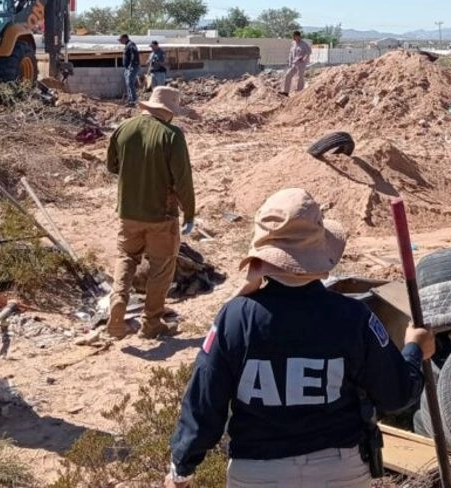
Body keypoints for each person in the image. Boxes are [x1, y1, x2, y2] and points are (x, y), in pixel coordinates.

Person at [167, 187, 435, 488]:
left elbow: (205, 400)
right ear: (319, 252)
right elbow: (396, 394)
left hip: (258, 473)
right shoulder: (353, 317)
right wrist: (415, 349)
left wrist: (182, 466)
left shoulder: (235, 318)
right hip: (338, 469)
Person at [105, 85, 195, 339]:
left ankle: (118, 306)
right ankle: (151, 323)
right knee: (161, 267)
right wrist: (189, 213)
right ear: (169, 111)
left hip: (128, 212)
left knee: (126, 258)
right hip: (161, 216)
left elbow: (112, 166)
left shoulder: (124, 128)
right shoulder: (172, 135)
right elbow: (183, 181)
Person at [279, 30, 312, 96]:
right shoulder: (293, 43)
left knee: (300, 77)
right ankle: (286, 92)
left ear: (299, 36)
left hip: (301, 63)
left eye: (295, 36)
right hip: (294, 63)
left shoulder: (304, 44)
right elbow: (291, 53)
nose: (294, 38)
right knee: (288, 75)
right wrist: (289, 61)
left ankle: (300, 93)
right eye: (293, 36)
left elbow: (308, 52)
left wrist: (304, 58)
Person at [119, 33, 141, 105]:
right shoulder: (127, 45)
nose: (120, 41)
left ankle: (134, 100)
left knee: (130, 83)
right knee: (128, 83)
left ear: (125, 38)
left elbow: (134, 55)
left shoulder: (131, 44)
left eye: (120, 39)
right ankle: (130, 99)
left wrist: (131, 65)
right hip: (127, 68)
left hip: (132, 67)